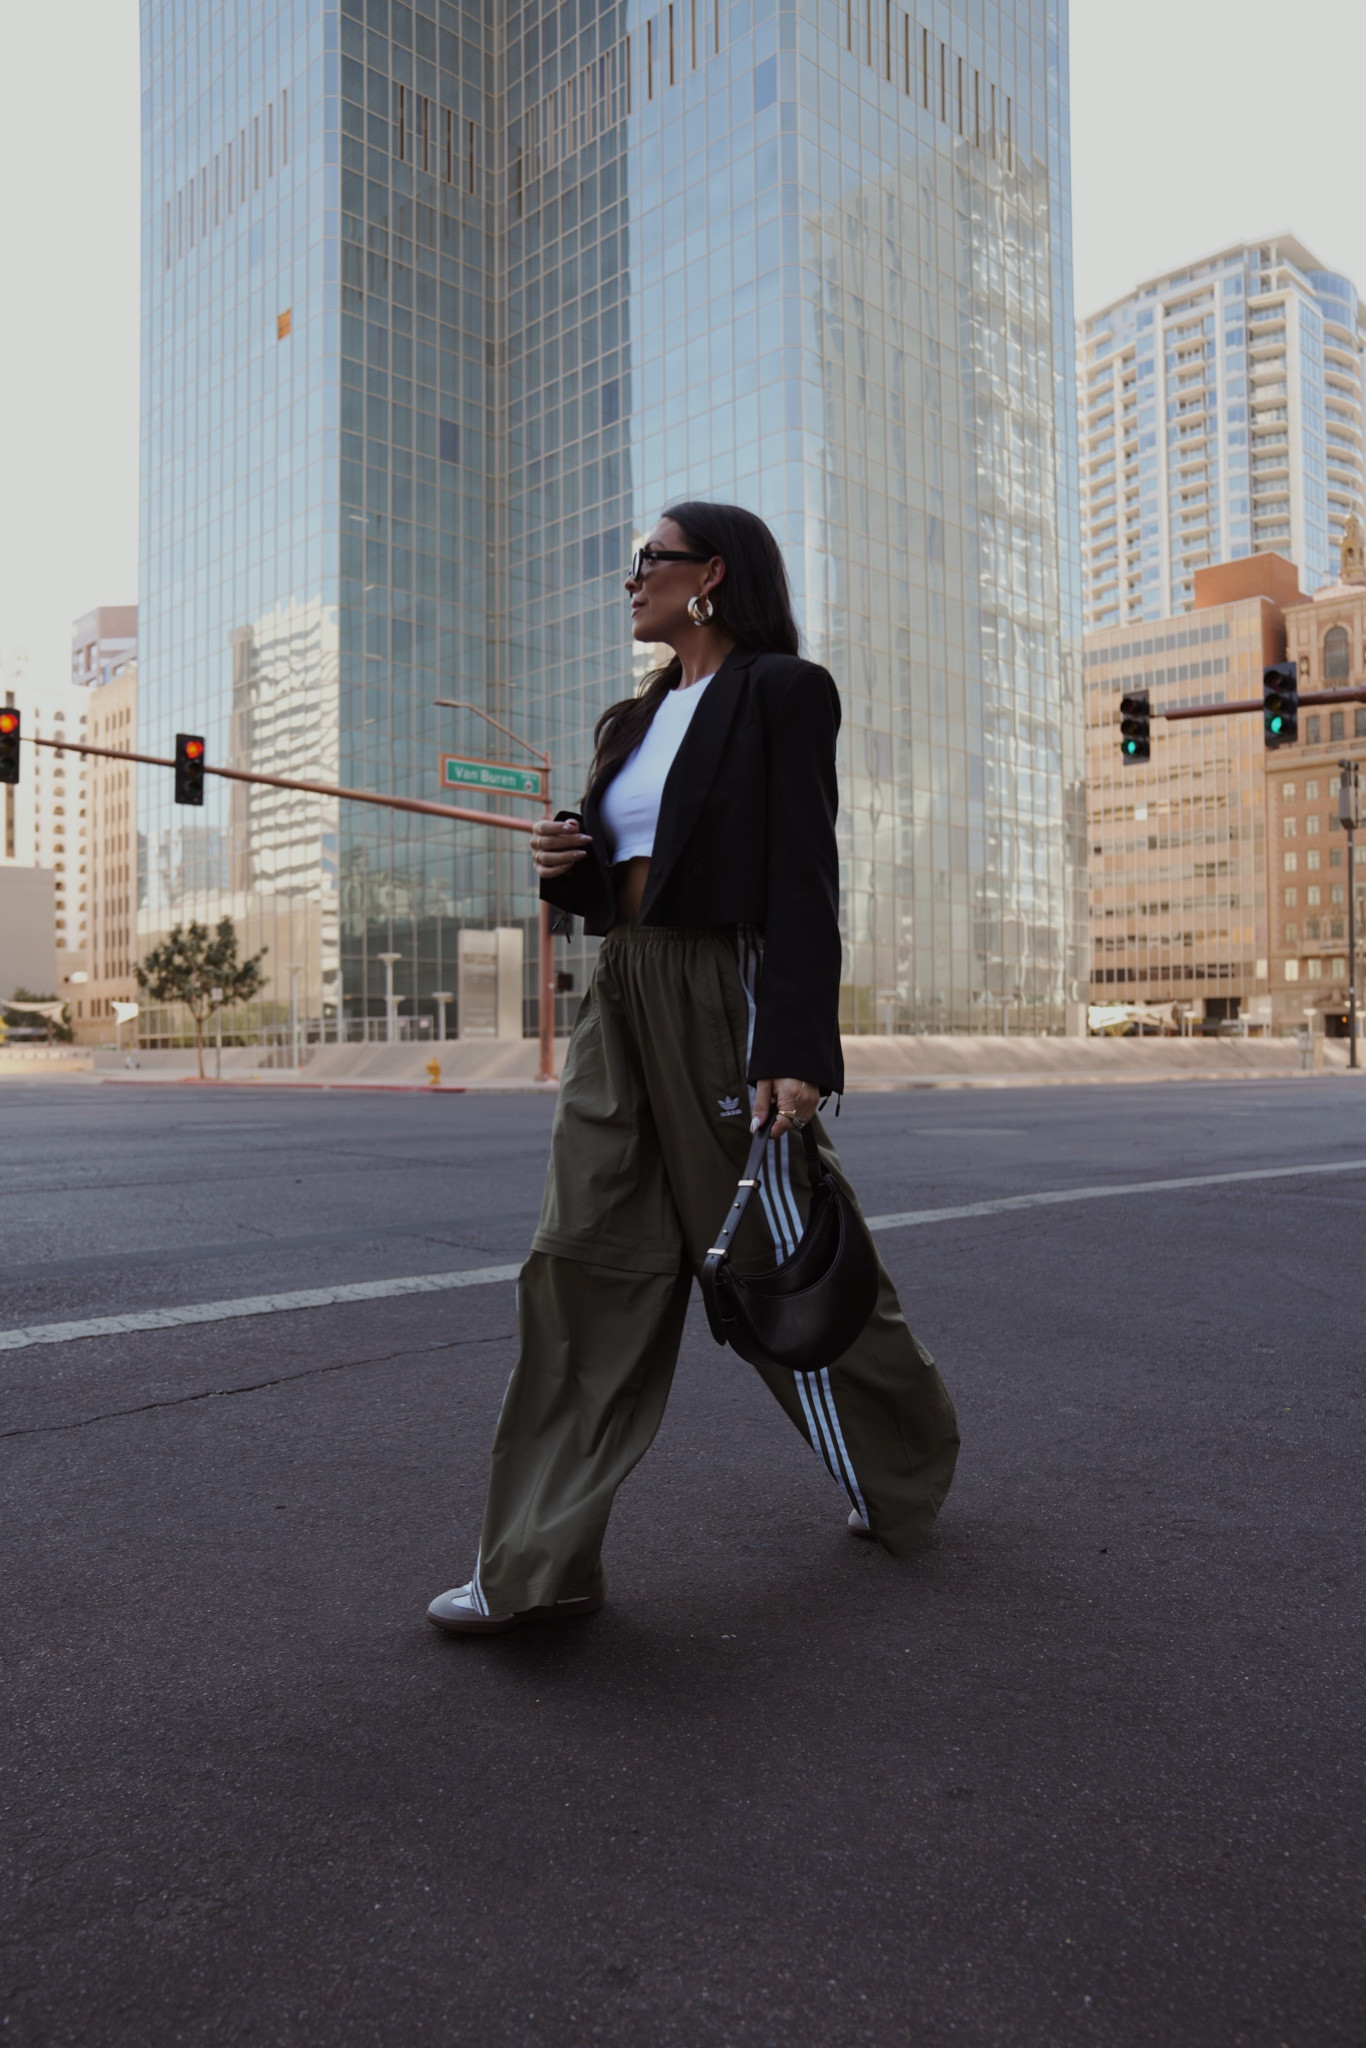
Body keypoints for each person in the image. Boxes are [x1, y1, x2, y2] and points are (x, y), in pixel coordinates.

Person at [427, 501, 959, 1635]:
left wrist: (798, 1048)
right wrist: (562, 862)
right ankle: (538, 1559)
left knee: (776, 1249)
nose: (631, 580)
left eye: (649, 561)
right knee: (585, 1256)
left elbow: (805, 870)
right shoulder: (630, 717)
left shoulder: (781, 692)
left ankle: (901, 1455)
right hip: (621, 992)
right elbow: (618, 882)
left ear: (709, 574)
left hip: (729, 993)